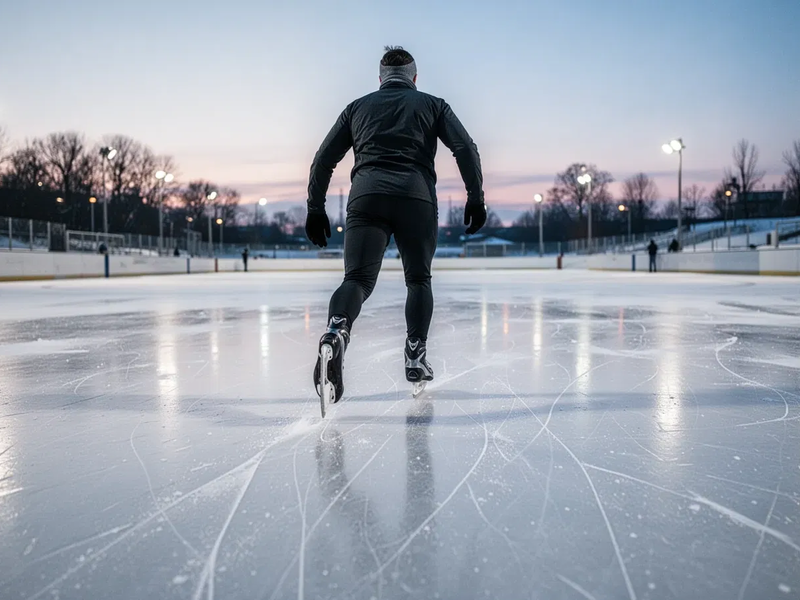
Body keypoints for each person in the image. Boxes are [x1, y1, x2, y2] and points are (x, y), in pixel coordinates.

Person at [305, 46, 486, 406]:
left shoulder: (357, 107)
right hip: (416, 199)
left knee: (356, 280)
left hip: (366, 198)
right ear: (415, 78)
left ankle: (337, 331)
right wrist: (475, 196)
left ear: (380, 79)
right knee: (418, 279)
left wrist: (315, 207)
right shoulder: (433, 105)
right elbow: (465, 147)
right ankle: (416, 355)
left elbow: (324, 159)